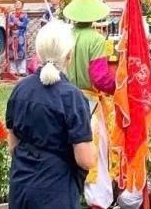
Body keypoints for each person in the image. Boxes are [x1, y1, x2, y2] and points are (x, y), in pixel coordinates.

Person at [6, 19, 96, 209]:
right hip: (56, 189)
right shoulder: (72, 96)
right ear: (69, 55)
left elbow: (12, 146)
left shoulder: (20, 89)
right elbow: (85, 159)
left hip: (21, 187)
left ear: (38, 53)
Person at [62, 0, 115, 209]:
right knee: (96, 149)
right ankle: (98, 200)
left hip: (63, 98)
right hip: (89, 100)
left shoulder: (65, 36)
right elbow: (100, 77)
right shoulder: (96, 39)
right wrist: (117, 86)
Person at [6, 0, 30, 76]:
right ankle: (13, 70)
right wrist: (10, 24)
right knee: (12, 52)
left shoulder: (24, 14)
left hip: (20, 35)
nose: (17, 5)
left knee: (21, 51)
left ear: (22, 5)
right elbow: (8, 23)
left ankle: (22, 70)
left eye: (19, 3)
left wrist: (16, 22)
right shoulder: (11, 14)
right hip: (12, 35)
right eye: (16, 3)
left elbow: (24, 25)